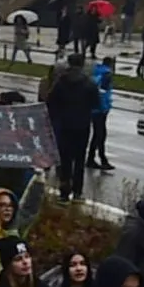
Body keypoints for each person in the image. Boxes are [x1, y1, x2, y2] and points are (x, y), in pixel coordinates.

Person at [46, 56, 99, 201]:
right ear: (82, 65)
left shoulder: (61, 83)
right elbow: (96, 104)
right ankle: (77, 191)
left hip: (64, 125)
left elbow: (50, 101)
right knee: (80, 159)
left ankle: (64, 190)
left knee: (65, 159)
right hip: (82, 125)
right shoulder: (89, 83)